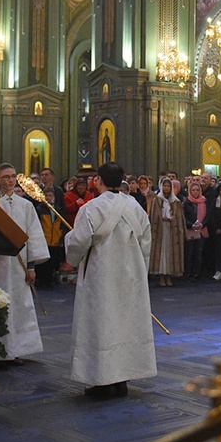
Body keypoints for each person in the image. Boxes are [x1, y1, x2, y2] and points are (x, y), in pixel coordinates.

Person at [64, 160, 156, 400]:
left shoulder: (91, 208)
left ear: (98, 181)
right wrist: (139, 269)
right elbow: (146, 242)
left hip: (101, 274)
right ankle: (122, 379)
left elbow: (78, 244)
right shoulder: (135, 206)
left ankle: (103, 381)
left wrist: (69, 240)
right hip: (129, 275)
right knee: (125, 323)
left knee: (102, 323)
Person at [0, 163, 50, 364]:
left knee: (18, 306)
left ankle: (16, 349)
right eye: (5, 177)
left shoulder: (25, 206)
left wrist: (31, 266)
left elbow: (34, 236)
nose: (9, 181)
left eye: (12, 177)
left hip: (18, 267)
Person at [149, 178, 184, 287]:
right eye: (165, 186)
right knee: (162, 251)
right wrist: (162, 218)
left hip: (172, 229)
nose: (166, 188)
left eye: (169, 186)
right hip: (161, 229)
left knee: (170, 251)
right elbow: (154, 216)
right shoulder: (157, 200)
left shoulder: (176, 201)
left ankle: (169, 275)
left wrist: (173, 219)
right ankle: (161, 276)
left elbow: (179, 217)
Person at [183, 181, 208, 281]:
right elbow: (183, 217)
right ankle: (188, 273)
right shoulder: (186, 202)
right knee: (189, 253)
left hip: (201, 230)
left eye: (197, 190)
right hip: (190, 230)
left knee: (199, 253)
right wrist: (191, 224)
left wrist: (202, 224)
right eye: (193, 190)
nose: (195, 192)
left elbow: (208, 215)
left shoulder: (204, 201)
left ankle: (197, 273)